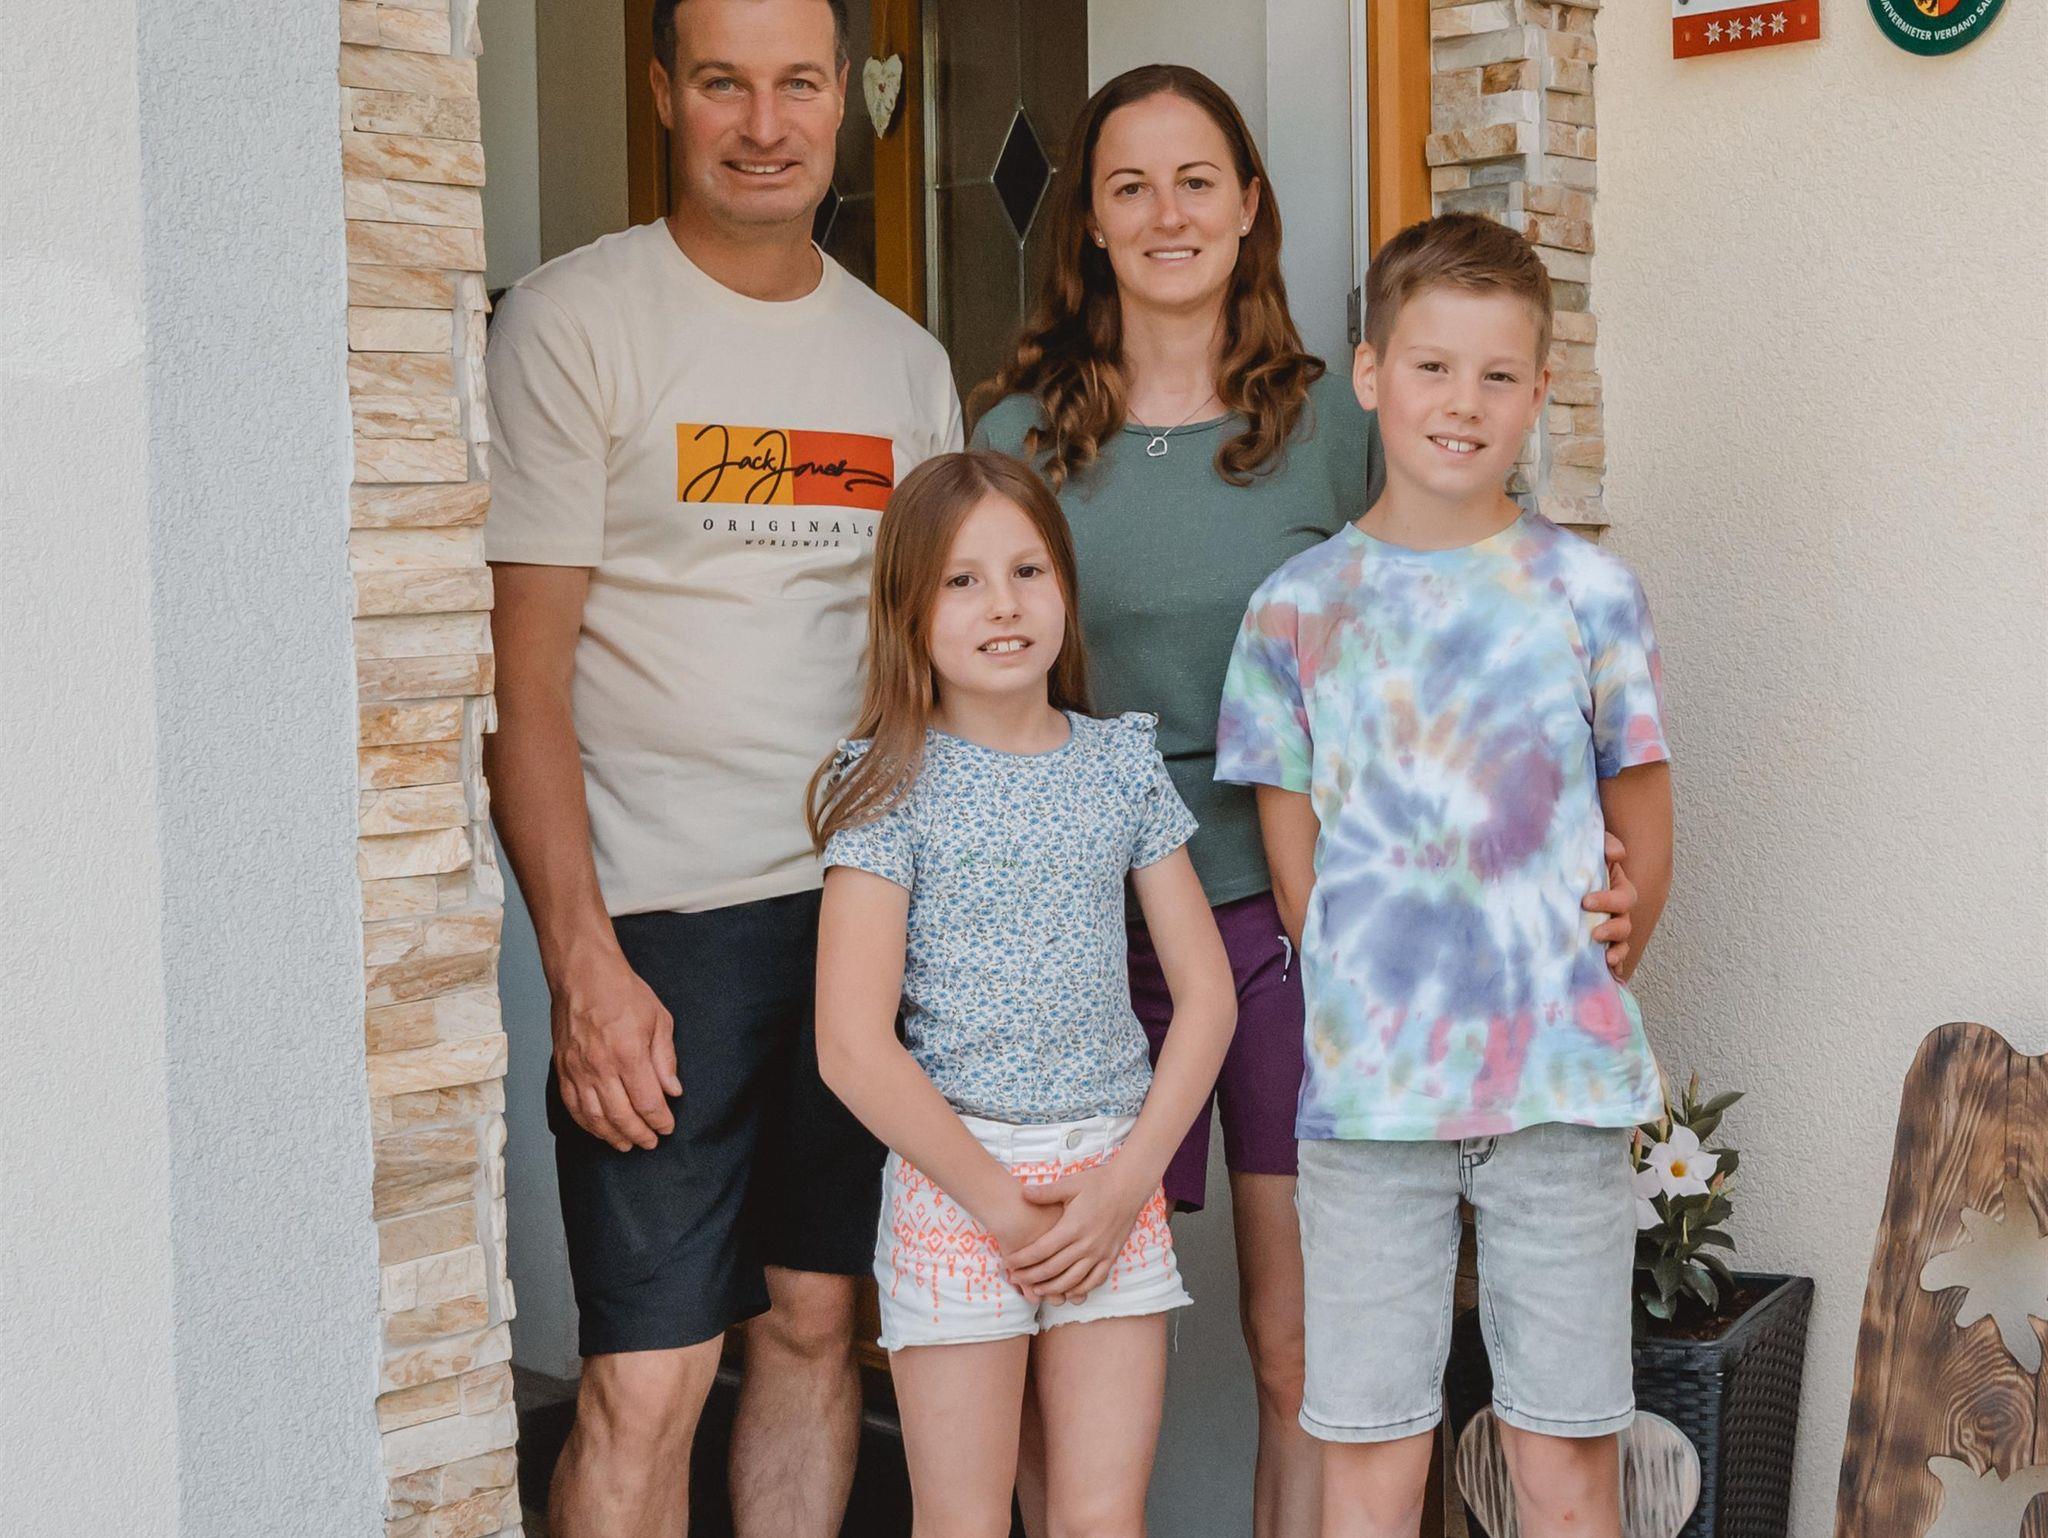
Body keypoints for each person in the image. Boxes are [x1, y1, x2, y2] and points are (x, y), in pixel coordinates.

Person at [971, 65, 1643, 1538]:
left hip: (1283, 923)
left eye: (1196, 180)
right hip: (1078, 933)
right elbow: (966, 672)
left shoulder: (1340, 422)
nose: (1166, 213)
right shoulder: (1016, 436)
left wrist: (1581, 859)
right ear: (1088, 219)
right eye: (1130, 184)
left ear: (1248, 205)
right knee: (1049, 1339)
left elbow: (1458, 622)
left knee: (1303, 1348)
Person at [480, 0, 960, 1532]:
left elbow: (932, 669)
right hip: (664, 935)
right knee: (649, 1376)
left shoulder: (904, 363)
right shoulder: (573, 322)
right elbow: (518, 687)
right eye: (723, 83)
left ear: (847, 97)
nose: (764, 124)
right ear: (662, 94)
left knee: (816, 1324)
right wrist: (583, 964)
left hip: (861, 919)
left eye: (798, 82)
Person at [1215, 212, 1676, 1538]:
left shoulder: (1589, 593)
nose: (1461, 403)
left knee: (1563, 1455)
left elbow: (1642, 824)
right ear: (1370, 373)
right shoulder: (1295, 609)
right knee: (1369, 1458)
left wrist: (1613, 928)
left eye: (1496, 375)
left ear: (1538, 392)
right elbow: (1298, 879)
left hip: (1555, 1095)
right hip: (1373, 1104)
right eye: (1430, 366)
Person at [809, 449, 1237, 1537]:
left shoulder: (1119, 763)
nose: (1001, 604)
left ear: (1064, 589)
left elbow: (1206, 997)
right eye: (961, 580)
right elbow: (851, 1044)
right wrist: (998, 1203)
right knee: (962, 1519)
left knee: (1100, 1516)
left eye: (1027, 571)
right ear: (908, 611)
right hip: (958, 1188)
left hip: (1109, 1183)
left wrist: (1127, 1184)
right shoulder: (886, 780)